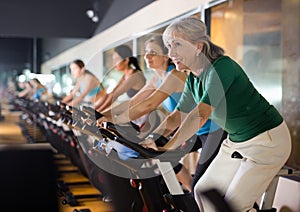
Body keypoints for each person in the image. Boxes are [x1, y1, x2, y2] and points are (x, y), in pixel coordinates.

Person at [140, 17, 291, 211]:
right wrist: (152, 139)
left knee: (234, 206)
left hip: (267, 141)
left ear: (198, 47)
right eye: (169, 46)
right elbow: (177, 116)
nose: (171, 53)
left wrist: (168, 147)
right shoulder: (193, 80)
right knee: (202, 192)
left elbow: (200, 115)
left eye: (177, 44)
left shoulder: (221, 68)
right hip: (237, 142)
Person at [97, 35, 227, 192]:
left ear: (166, 56)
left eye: (153, 52)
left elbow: (149, 104)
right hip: (192, 130)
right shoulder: (155, 78)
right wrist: (100, 115)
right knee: (163, 158)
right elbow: (133, 103)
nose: (147, 56)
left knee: (199, 184)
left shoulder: (175, 75)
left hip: (212, 131)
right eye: (146, 52)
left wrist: (116, 119)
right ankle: (190, 197)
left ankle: (196, 197)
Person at [94, 45, 146, 113]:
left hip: (144, 113)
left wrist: (98, 112)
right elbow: (111, 93)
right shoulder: (125, 75)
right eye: (113, 59)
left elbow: (115, 96)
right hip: (136, 110)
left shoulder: (134, 76)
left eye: (116, 59)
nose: (113, 63)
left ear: (126, 60)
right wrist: (95, 109)